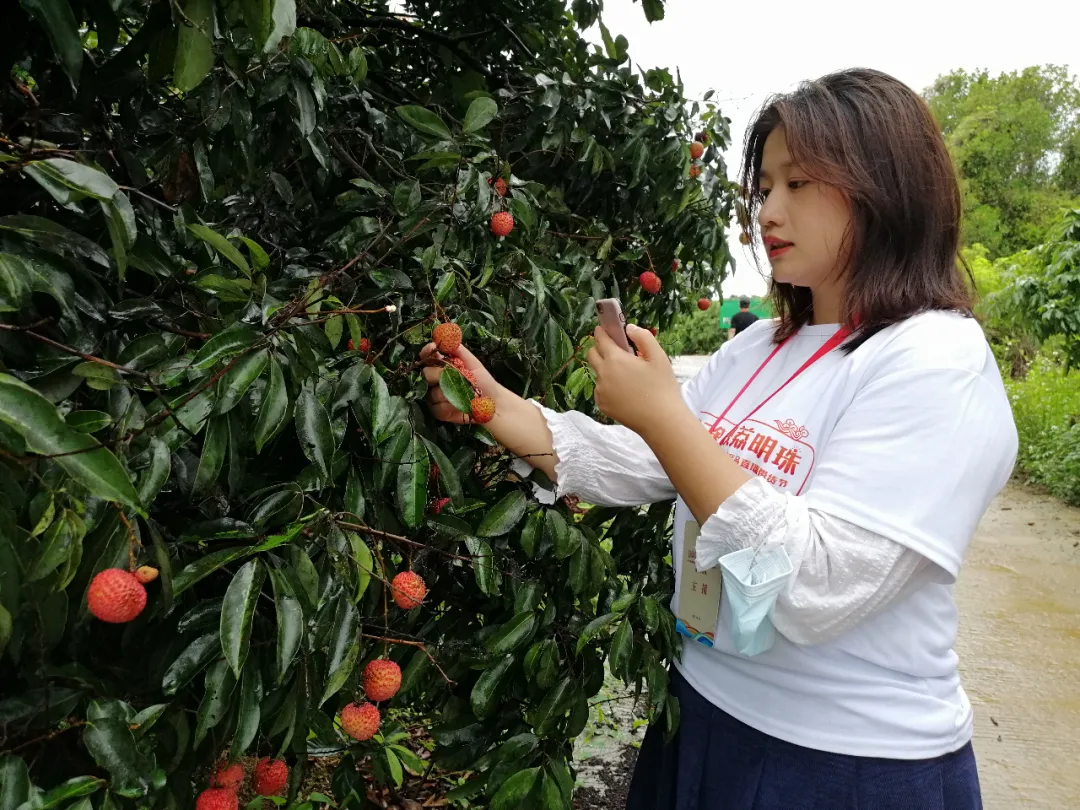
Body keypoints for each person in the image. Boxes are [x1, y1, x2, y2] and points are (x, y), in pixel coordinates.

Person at [421, 68, 1016, 810]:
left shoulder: (934, 359)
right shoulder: (758, 346)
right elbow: (646, 461)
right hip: (700, 708)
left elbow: (816, 585)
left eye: (798, 183)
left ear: (884, 187)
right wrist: (493, 405)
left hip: (847, 762)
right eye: (764, 186)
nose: (768, 208)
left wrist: (665, 415)